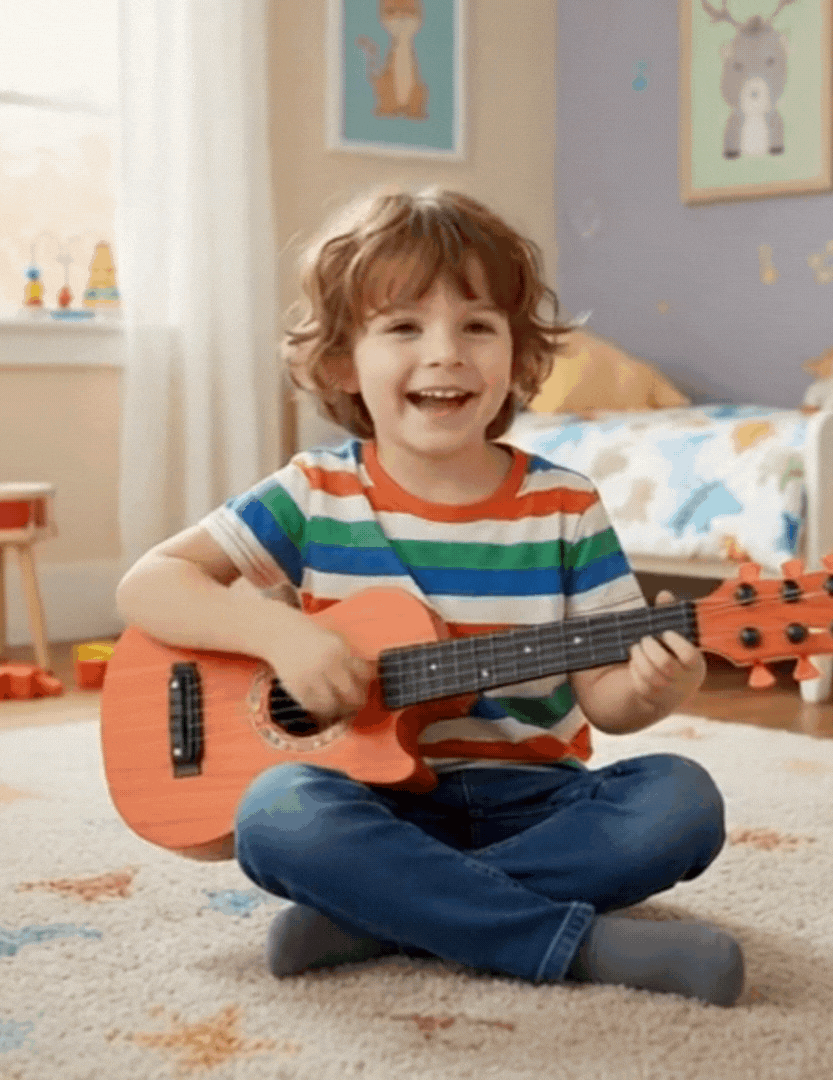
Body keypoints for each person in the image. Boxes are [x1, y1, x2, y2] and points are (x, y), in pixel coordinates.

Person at [115, 186, 745, 1007]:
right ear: (341, 361)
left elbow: (607, 699)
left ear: (518, 356)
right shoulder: (313, 492)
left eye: (477, 326)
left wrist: (655, 686)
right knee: (277, 813)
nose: (446, 353)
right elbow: (150, 584)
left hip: (538, 802)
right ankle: (574, 945)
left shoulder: (565, 505)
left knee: (680, 802)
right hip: (372, 805)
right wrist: (285, 640)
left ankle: (381, 916)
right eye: (404, 327)